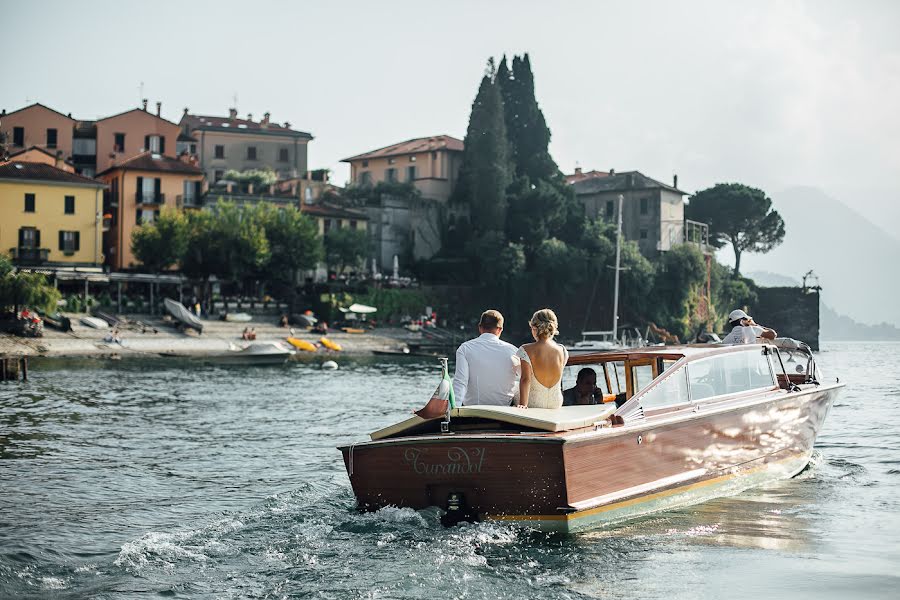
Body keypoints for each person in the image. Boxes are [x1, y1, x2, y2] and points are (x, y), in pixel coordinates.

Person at [452, 309, 519, 406]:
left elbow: (460, 382)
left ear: (480, 328)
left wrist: (454, 410)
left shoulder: (465, 348)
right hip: (504, 410)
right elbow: (525, 377)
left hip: (473, 408)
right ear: (500, 330)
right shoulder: (514, 351)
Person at [516, 309, 568, 409]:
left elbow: (525, 380)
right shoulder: (562, 350)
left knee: (514, 390)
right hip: (556, 402)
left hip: (534, 402)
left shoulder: (526, 350)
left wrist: (522, 406)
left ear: (534, 328)